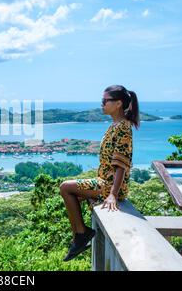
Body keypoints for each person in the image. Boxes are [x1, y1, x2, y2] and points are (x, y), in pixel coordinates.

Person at [60, 85, 140, 262]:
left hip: (109, 185)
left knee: (65, 188)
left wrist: (112, 195)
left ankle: (81, 235)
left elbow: (121, 164)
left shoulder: (123, 128)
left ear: (118, 103)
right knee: (70, 192)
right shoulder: (115, 125)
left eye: (105, 101)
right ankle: (79, 236)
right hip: (103, 181)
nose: (102, 104)